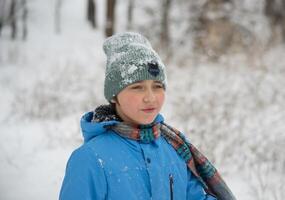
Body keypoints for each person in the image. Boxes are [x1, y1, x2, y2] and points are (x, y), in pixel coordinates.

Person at [59, 32, 236, 200]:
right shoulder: (90, 159)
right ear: (114, 95)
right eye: (137, 87)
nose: (150, 98)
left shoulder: (174, 148)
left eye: (157, 86)